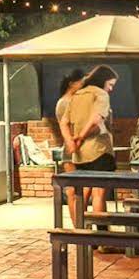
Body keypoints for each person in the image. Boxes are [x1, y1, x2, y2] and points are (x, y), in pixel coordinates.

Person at [64, 65, 120, 224]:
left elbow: (63, 122)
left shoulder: (77, 95)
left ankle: (80, 231)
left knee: (81, 194)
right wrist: (81, 136)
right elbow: (96, 119)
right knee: (99, 194)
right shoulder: (101, 94)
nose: (111, 89)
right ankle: (101, 234)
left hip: (80, 155)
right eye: (110, 84)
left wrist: (71, 141)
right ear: (103, 80)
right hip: (99, 150)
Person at [52, 70, 88, 165]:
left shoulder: (77, 100)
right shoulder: (64, 103)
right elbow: (66, 126)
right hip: (72, 148)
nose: (83, 86)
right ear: (71, 84)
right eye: (81, 83)